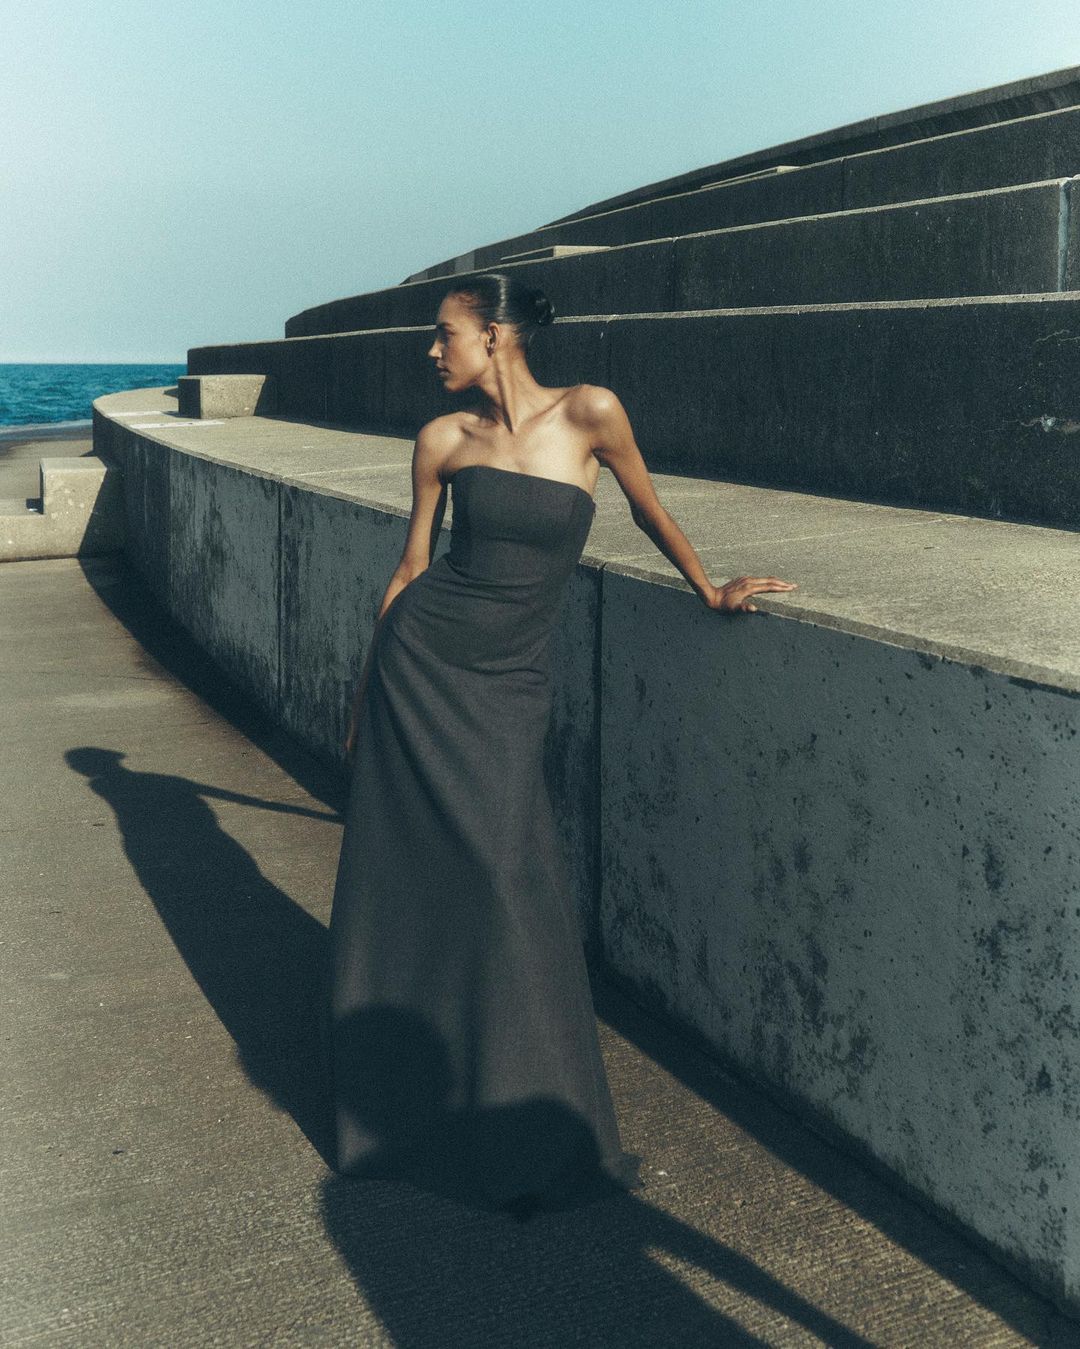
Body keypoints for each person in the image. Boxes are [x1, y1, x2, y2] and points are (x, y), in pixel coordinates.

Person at [325, 273, 798, 1221]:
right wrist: (364, 695)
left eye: (443, 334)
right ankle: (414, 1105)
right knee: (428, 880)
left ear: (495, 335)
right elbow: (411, 570)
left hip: (509, 685)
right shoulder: (441, 441)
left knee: (505, 874)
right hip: (424, 669)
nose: (432, 352)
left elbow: (648, 510)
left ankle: (538, 1127)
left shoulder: (592, 412)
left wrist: (709, 588)